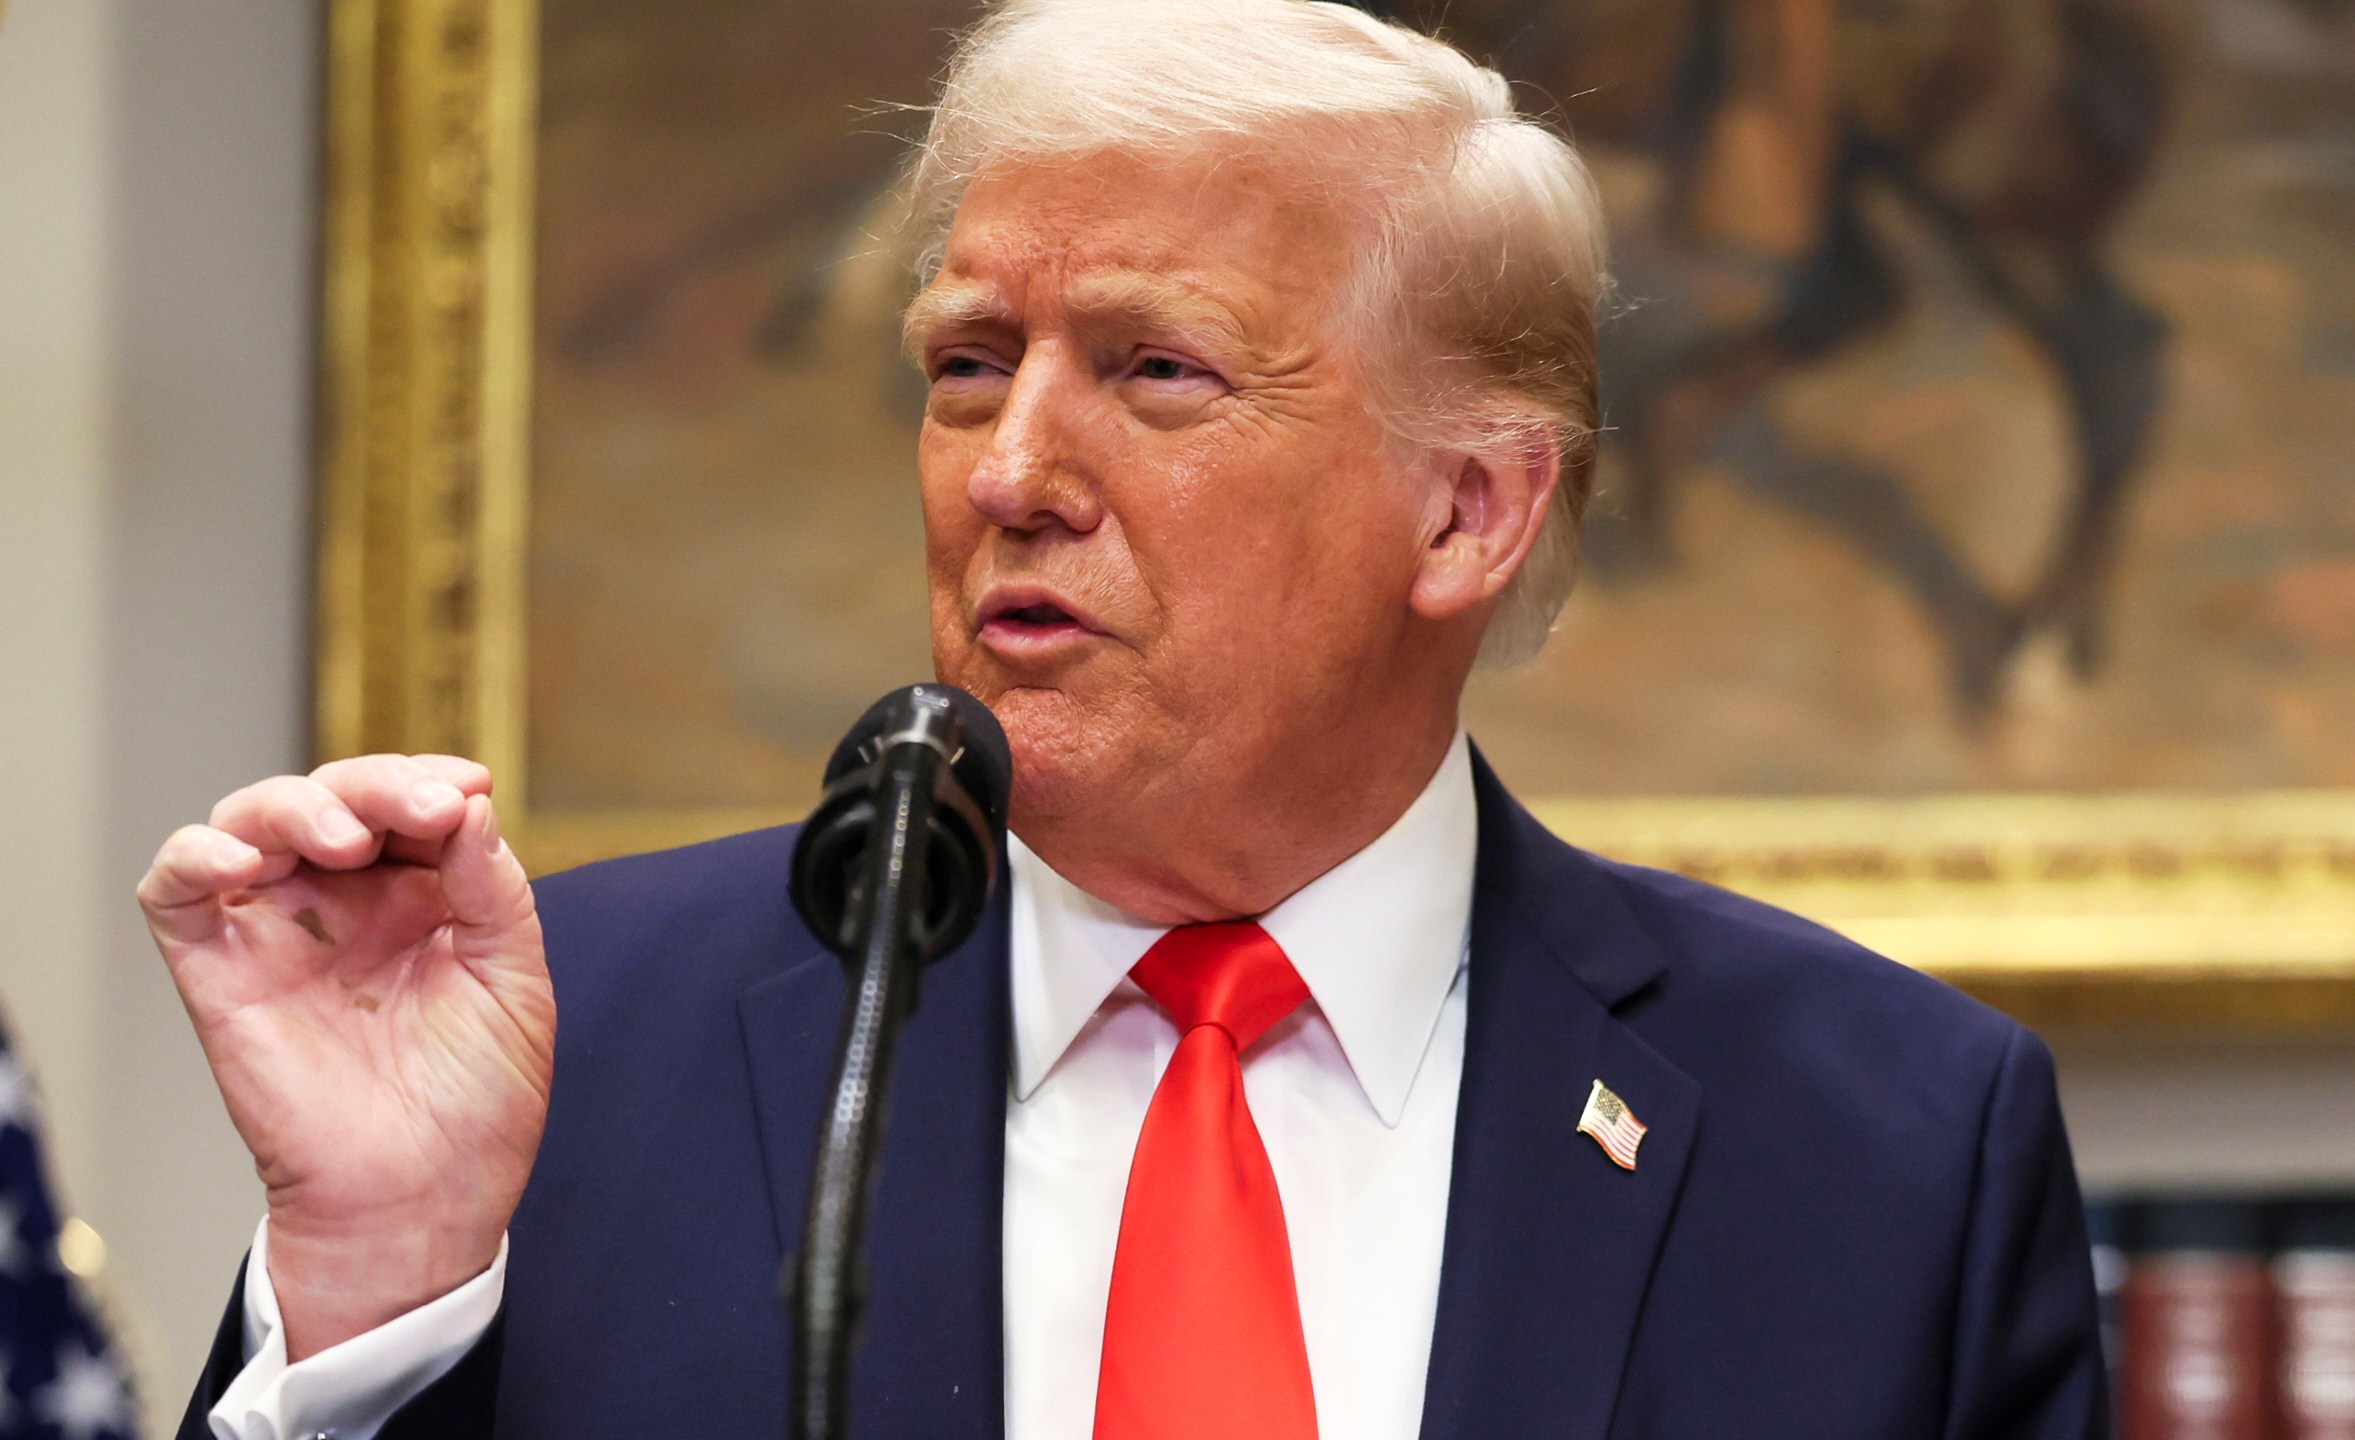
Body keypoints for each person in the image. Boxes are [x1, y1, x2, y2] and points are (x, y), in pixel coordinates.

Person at [142, 2, 2108, 1437]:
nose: (1007, 470)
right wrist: (378, 1296)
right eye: (967, 364)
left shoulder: (1880, 1147)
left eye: (1154, 370)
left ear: (1467, 508)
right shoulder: (572, 1052)